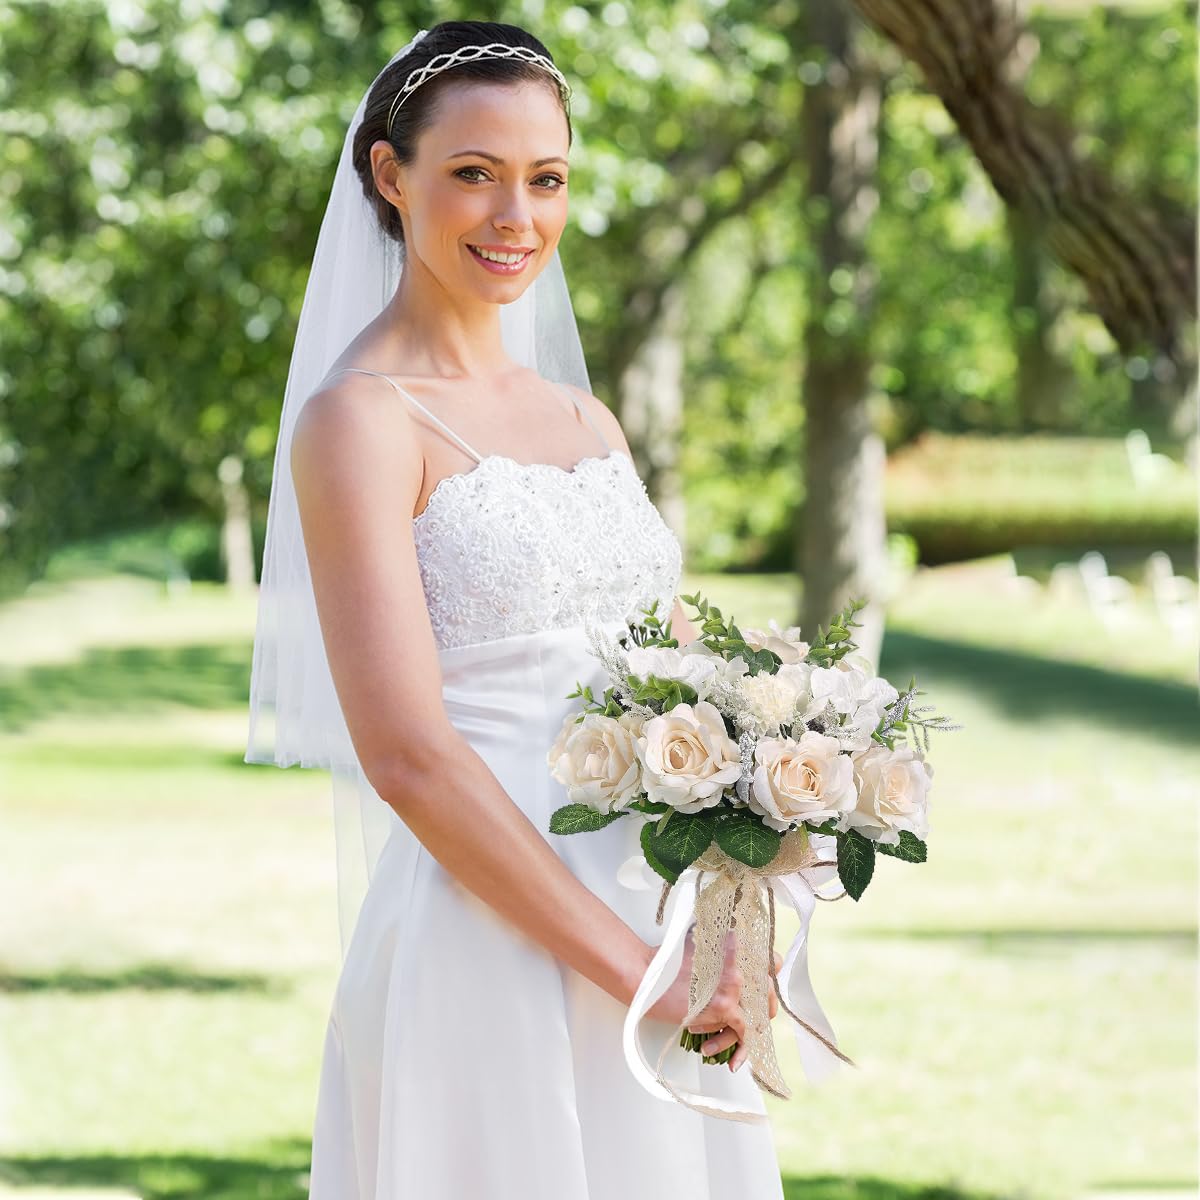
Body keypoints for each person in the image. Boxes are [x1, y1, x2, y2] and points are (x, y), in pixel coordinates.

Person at [244, 20, 788, 1199]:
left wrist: (755, 862)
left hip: (653, 910)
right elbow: (407, 756)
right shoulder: (360, 423)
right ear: (392, 177)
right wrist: (640, 973)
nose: (515, 219)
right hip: (489, 935)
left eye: (546, 180)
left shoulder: (584, 423)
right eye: (473, 175)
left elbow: (682, 679)